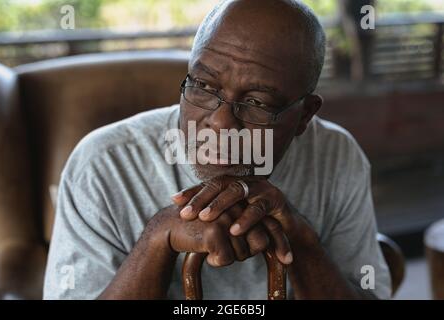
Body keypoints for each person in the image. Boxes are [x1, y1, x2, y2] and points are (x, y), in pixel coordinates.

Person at [44, 0, 391, 299]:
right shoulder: (103, 164)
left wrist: (299, 236)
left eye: (257, 102)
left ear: (304, 115)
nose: (221, 123)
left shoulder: (337, 157)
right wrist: (155, 241)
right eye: (203, 86)